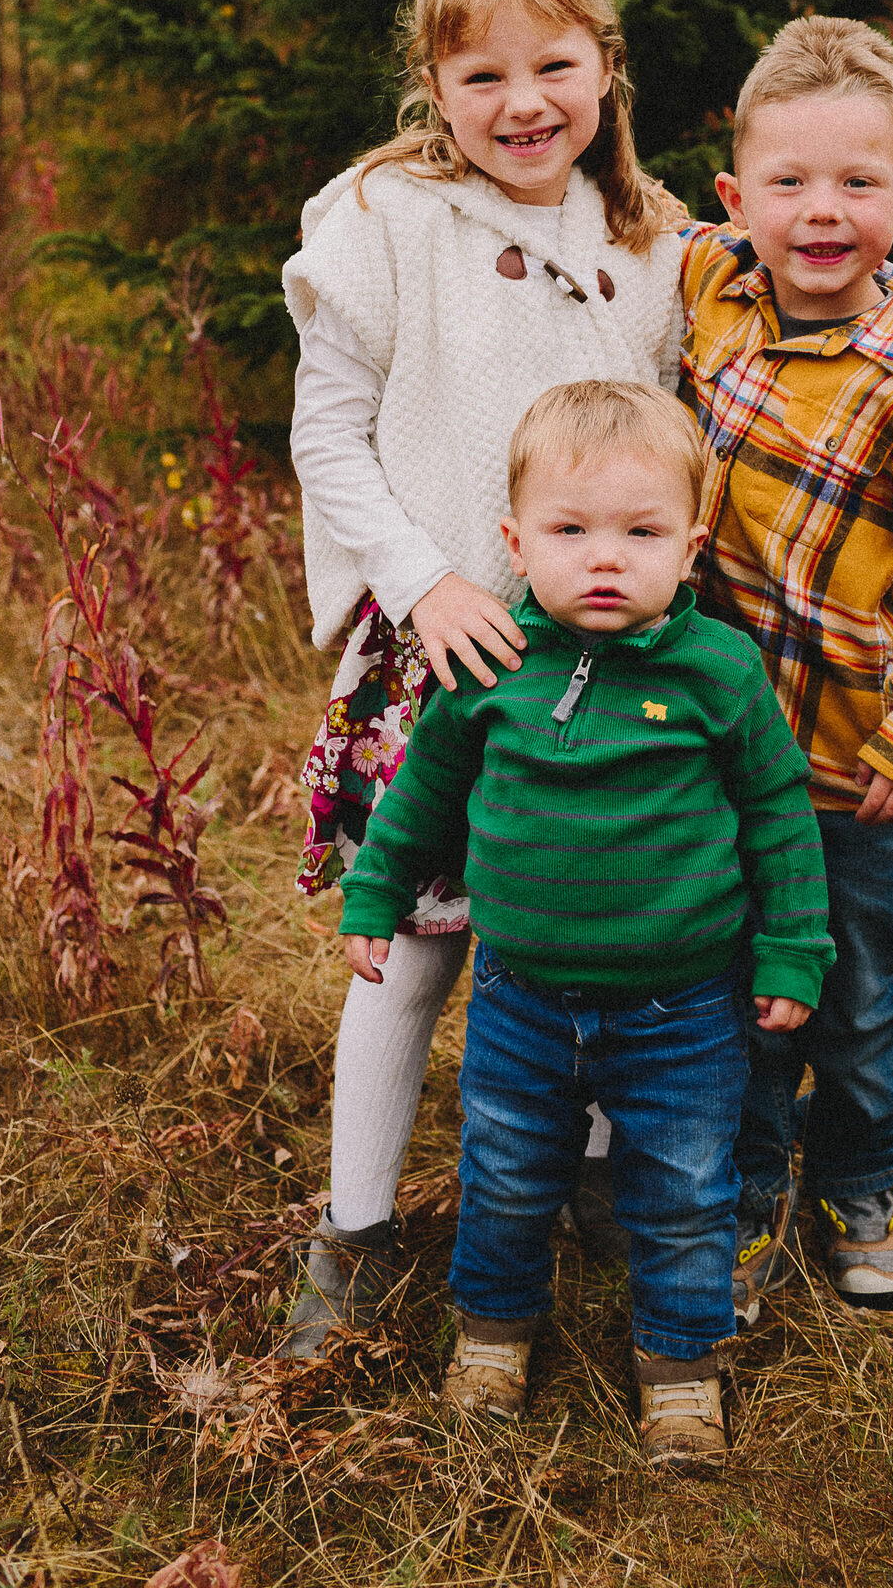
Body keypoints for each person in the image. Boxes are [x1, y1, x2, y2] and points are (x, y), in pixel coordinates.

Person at [277, 0, 686, 1358]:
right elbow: (327, 435)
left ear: (604, 68)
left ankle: (581, 1183)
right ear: (434, 91)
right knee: (417, 946)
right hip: (442, 650)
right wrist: (420, 583)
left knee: (587, 917)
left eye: (553, 68)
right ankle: (356, 1232)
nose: (524, 106)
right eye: (482, 79)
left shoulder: (650, 242)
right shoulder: (387, 223)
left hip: (606, 664)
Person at [337, 380, 833, 1469]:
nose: (603, 558)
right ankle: (494, 1333)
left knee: (682, 1190)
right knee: (506, 1173)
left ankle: (679, 1367)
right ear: (516, 541)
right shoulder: (491, 670)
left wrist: (795, 947)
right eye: (570, 531)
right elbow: (421, 797)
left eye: (640, 532)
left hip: (684, 1008)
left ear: (691, 547)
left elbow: (777, 819)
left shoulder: (717, 674)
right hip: (520, 998)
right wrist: (376, 893)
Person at [680, 16, 893, 1318]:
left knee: (853, 1001)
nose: (822, 213)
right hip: (718, 758)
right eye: (789, 184)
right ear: (734, 200)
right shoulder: (710, 293)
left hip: (847, 775)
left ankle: (857, 1182)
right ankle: (747, 1195)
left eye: (857, 185)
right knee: (738, 990)